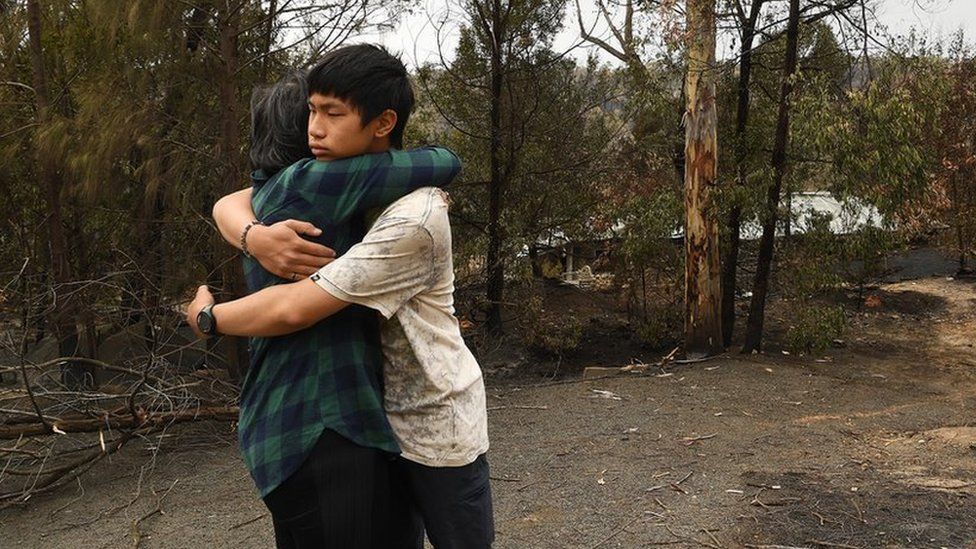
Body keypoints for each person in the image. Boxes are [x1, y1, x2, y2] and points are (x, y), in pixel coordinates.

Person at [192, 45, 494, 549]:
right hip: (328, 428)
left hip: (291, 428)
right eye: (311, 111)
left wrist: (248, 235)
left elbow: (229, 201)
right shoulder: (320, 183)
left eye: (331, 113)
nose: (316, 128)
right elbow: (446, 159)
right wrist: (209, 317)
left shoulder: (273, 195)